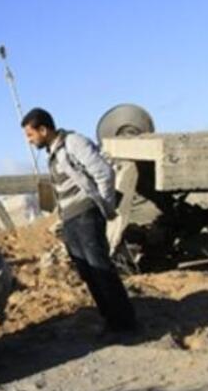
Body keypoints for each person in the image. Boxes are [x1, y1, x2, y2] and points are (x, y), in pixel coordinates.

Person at [21, 108, 136, 335]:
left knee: (101, 270)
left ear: (43, 130)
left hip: (86, 215)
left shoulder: (73, 143)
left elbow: (104, 173)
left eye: (30, 135)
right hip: (71, 220)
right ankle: (110, 321)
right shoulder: (53, 154)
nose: (29, 141)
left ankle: (125, 324)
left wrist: (105, 206)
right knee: (88, 272)